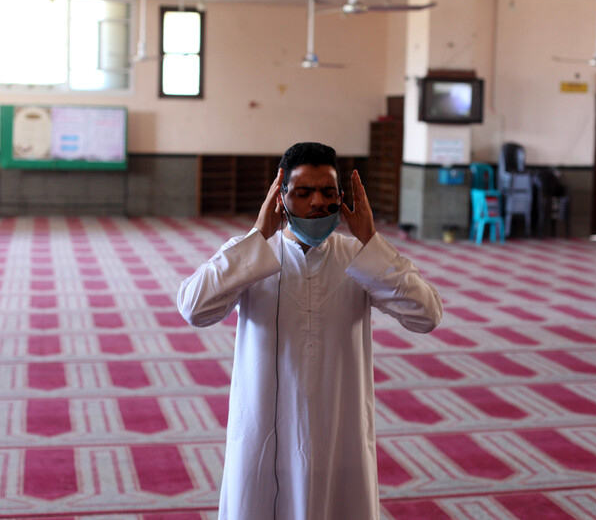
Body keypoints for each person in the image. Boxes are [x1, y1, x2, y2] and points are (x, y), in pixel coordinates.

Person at [177, 142, 442, 520]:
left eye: (328, 192)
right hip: (264, 441)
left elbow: (427, 314)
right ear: (280, 198)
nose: (317, 202)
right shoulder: (252, 255)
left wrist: (371, 242)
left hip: (339, 439)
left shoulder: (359, 258)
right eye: (303, 193)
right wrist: (257, 234)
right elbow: (193, 308)